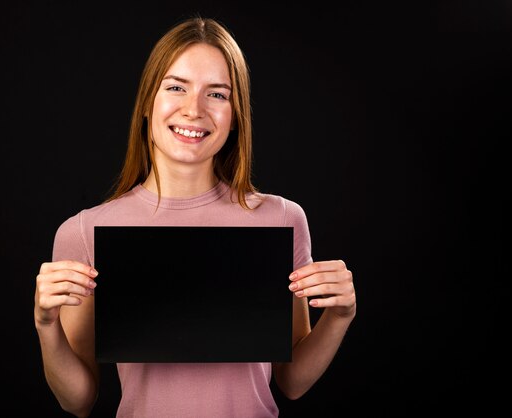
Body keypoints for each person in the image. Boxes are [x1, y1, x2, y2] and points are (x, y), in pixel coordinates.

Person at [34, 16, 356, 418]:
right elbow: (78, 400)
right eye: (175, 87)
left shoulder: (281, 219)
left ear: (236, 114)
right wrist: (46, 327)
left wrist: (340, 316)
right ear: (148, 102)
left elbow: (291, 381)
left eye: (217, 94)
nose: (194, 109)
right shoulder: (85, 231)